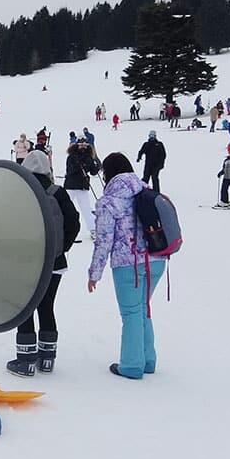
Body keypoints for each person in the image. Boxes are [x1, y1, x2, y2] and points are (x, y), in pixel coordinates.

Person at [86, 153, 166, 380]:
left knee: (131, 312)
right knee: (143, 308)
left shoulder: (109, 202)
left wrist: (94, 273)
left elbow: (104, 240)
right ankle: (147, 359)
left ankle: (131, 364)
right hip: (157, 260)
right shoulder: (145, 190)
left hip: (128, 264)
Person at [7, 151, 79, 377]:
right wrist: (61, 248)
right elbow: (74, 223)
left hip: (25, 262)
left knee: (25, 307)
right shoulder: (58, 192)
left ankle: (26, 361)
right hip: (55, 262)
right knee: (47, 307)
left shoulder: (21, 192)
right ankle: (47, 359)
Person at [63, 138, 98, 240]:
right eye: (80, 143)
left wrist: (96, 166)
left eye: (85, 143)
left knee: (86, 209)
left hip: (82, 186)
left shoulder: (88, 157)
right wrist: (79, 164)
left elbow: (93, 171)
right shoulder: (72, 156)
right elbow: (70, 170)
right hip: (70, 186)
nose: (83, 145)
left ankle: (93, 229)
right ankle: (62, 228)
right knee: (66, 208)